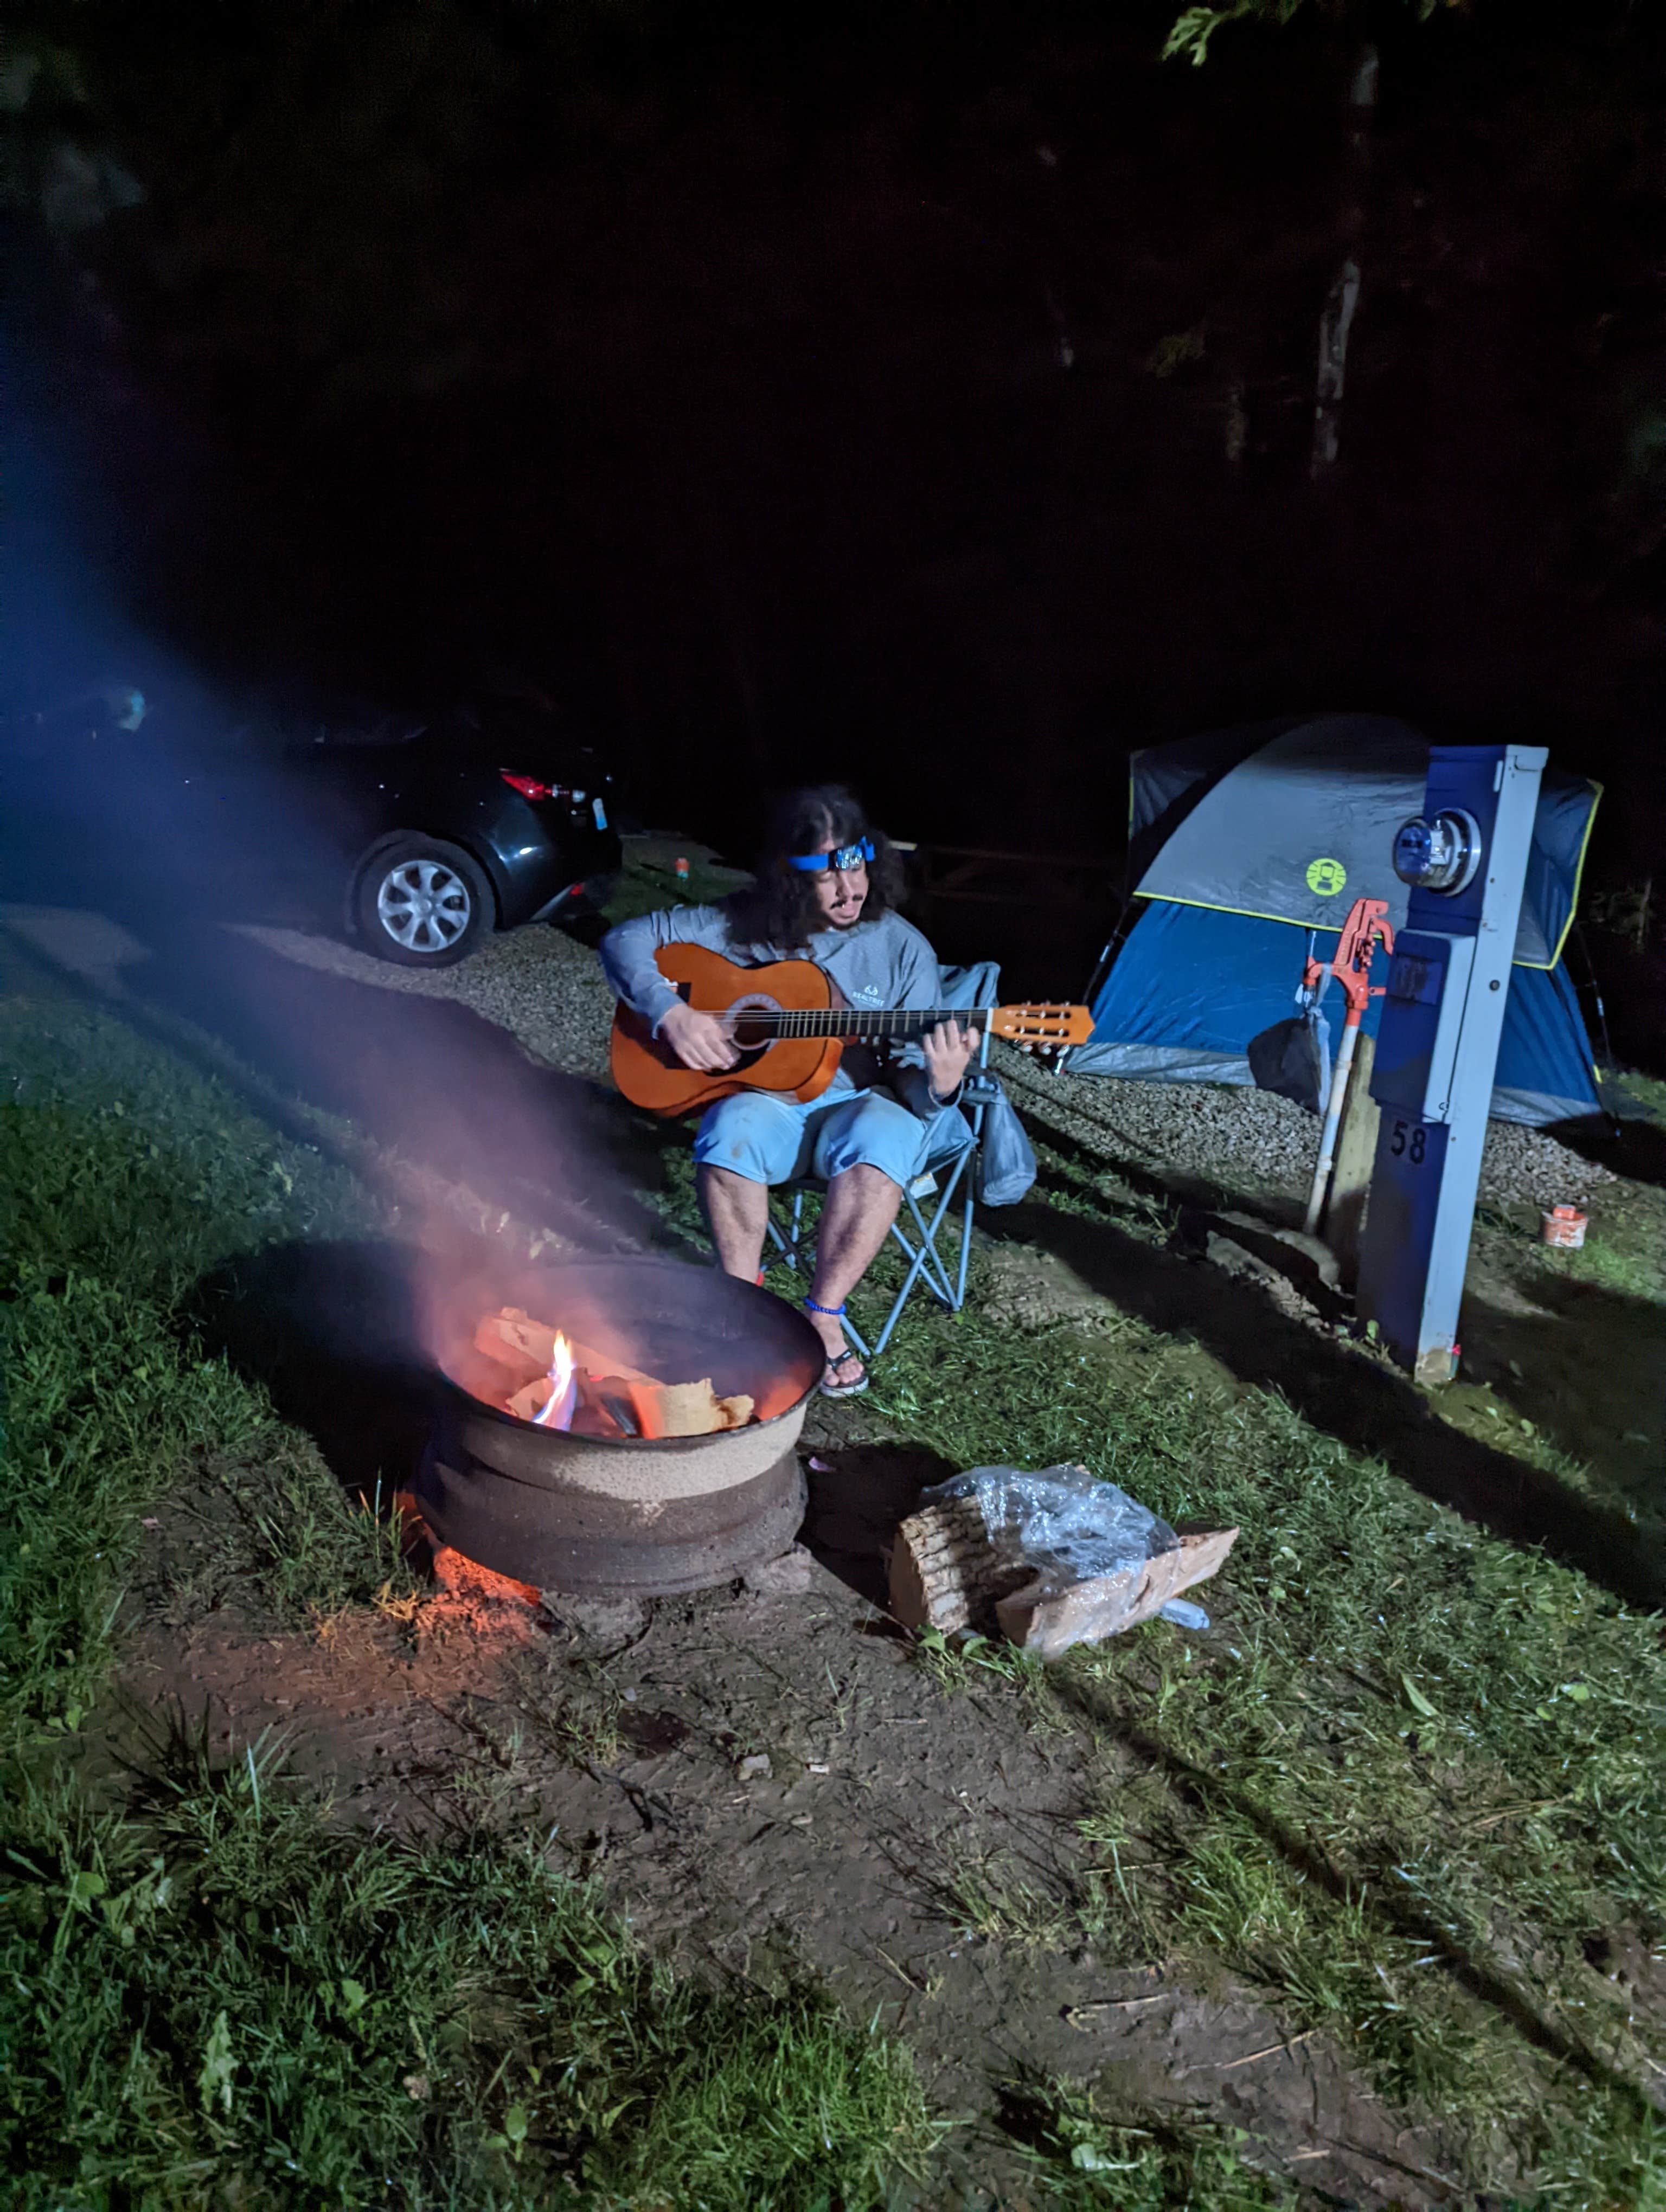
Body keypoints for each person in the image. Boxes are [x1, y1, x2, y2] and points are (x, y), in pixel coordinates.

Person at [599, 786, 981, 1396]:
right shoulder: (745, 923)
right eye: (826, 876)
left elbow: (914, 1079)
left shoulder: (904, 949)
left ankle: (823, 1318)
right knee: (729, 1128)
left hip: (864, 1103)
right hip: (776, 1103)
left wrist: (940, 1083)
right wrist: (672, 1014)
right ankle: (740, 1310)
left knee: (882, 1137)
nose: (848, 889)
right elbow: (623, 942)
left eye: (854, 866)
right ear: (787, 880)